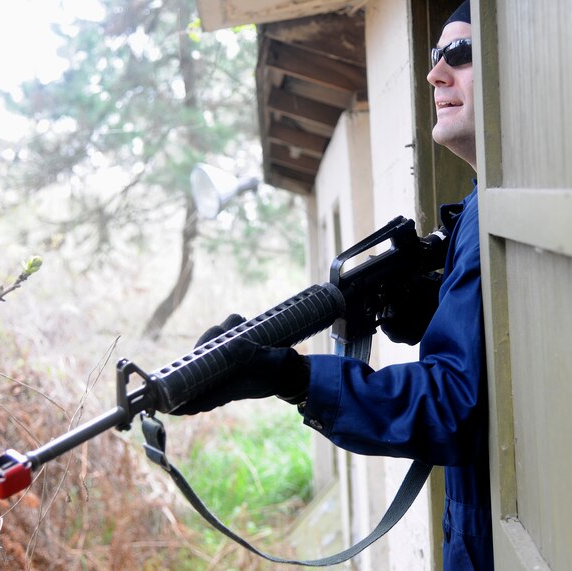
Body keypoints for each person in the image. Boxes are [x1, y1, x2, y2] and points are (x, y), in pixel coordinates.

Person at [173, 2, 492, 568]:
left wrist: (294, 378)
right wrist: (418, 305)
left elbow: (455, 404)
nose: (434, 73)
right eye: (435, 56)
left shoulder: (494, 214)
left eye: (460, 54)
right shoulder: (473, 211)